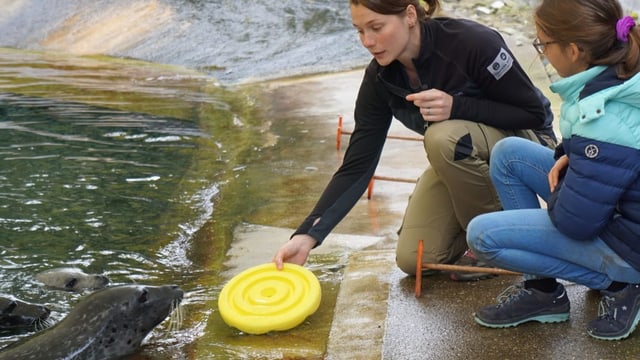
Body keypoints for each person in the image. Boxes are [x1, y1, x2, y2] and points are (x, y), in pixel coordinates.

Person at [272, 0, 556, 279]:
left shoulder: (473, 42)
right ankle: (481, 228)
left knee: (442, 137)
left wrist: (457, 107)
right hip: (464, 158)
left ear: (409, 15)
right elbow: (358, 164)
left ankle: (501, 242)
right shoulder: (380, 77)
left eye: (376, 27)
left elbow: (533, 113)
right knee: (417, 258)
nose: (367, 41)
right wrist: (307, 235)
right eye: (359, 31)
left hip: (527, 144)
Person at [466, 0, 640, 341]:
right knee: (508, 154)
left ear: (573, 50)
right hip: (620, 213)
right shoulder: (611, 80)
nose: (541, 52)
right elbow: (597, 154)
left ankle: (622, 283)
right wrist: (570, 156)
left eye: (543, 44)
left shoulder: (605, 115)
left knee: (482, 236)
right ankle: (543, 292)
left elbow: (577, 222)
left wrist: (568, 182)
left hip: (629, 243)